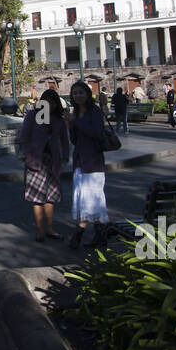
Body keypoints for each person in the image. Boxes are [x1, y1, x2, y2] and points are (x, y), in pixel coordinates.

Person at [18, 88, 70, 243]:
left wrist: (65, 159)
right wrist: (28, 157)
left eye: (53, 101)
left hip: (53, 161)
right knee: (37, 197)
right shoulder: (33, 115)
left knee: (50, 197)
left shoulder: (58, 120)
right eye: (47, 101)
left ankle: (50, 228)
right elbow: (24, 138)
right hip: (36, 160)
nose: (50, 104)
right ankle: (40, 229)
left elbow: (64, 141)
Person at [67, 80, 109, 249]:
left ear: (87, 94)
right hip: (79, 161)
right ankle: (100, 234)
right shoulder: (76, 114)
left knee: (90, 198)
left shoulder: (95, 112)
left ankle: (79, 233)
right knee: (86, 198)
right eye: (75, 93)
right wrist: (71, 125)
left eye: (81, 92)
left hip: (93, 162)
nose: (78, 96)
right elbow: (75, 140)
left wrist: (76, 123)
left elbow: (96, 132)